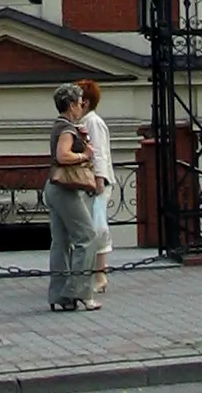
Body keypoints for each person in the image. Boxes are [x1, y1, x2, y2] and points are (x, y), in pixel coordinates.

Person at [44, 82, 101, 311]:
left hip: (52, 187)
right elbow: (63, 155)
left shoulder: (58, 125)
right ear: (70, 105)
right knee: (87, 237)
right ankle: (80, 293)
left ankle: (59, 296)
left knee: (60, 242)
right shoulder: (68, 128)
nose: (82, 107)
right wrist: (84, 154)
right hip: (66, 189)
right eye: (79, 103)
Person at [78, 79, 115, 293]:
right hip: (91, 182)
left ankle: (100, 273)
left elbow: (99, 152)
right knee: (93, 224)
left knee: (97, 226)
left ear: (86, 101)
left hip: (96, 183)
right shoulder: (86, 122)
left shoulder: (92, 122)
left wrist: (99, 179)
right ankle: (95, 271)